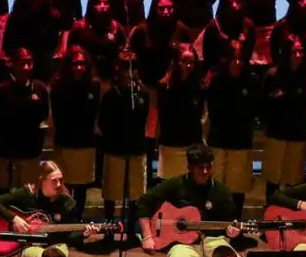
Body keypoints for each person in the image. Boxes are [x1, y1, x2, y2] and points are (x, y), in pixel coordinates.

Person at [136, 145, 241, 257]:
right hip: (182, 244)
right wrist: (147, 235)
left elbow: (232, 223)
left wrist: (233, 232)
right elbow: (144, 202)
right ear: (189, 168)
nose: (206, 171)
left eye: (209, 167)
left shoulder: (221, 192)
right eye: (201, 167)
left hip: (213, 240)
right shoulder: (175, 185)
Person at [0, 160, 97, 257]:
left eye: (61, 180)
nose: (59, 184)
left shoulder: (66, 203)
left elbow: (68, 236)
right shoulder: (27, 194)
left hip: (55, 245)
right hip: (29, 246)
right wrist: (15, 218)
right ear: (42, 180)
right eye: (54, 180)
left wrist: (84, 234)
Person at [258, 33, 306, 198]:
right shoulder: (272, 75)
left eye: (301, 51)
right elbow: (262, 105)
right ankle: (270, 215)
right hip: (276, 134)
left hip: (298, 135)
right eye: (294, 52)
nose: (298, 56)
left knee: (295, 182)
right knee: (273, 180)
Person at [203, 40, 256, 211]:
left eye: (241, 59)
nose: (238, 63)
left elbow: (254, 110)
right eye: (234, 59)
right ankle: (214, 225)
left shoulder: (251, 80)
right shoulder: (216, 80)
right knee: (215, 186)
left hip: (241, 142)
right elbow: (212, 110)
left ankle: (235, 226)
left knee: (238, 189)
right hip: (219, 141)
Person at [0, 46, 50, 189]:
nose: (26, 68)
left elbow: (44, 114)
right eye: (22, 63)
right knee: (3, 192)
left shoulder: (39, 88)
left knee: (29, 194)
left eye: (29, 63)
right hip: (6, 152)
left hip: (30, 151)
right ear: (13, 65)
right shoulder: (2, 90)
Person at [98, 51, 153, 216]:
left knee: (136, 194)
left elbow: (144, 120)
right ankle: (109, 230)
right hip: (115, 150)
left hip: (136, 149)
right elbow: (103, 123)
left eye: (133, 69)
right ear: (118, 71)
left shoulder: (142, 93)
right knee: (111, 193)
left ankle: (131, 230)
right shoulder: (110, 95)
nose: (130, 74)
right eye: (126, 69)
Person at [48, 46, 101, 210]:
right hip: (65, 143)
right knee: (63, 186)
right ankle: (63, 222)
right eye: (75, 63)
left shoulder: (94, 85)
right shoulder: (58, 86)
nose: (79, 67)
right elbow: (56, 116)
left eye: (82, 63)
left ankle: (77, 221)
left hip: (86, 143)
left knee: (82, 187)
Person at [154, 43, 206, 178]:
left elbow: (199, 117)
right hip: (170, 147)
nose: (188, 66)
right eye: (184, 61)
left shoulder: (198, 88)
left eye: (191, 62)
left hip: (191, 147)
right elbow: (162, 117)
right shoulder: (165, 87)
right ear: (176, 63)